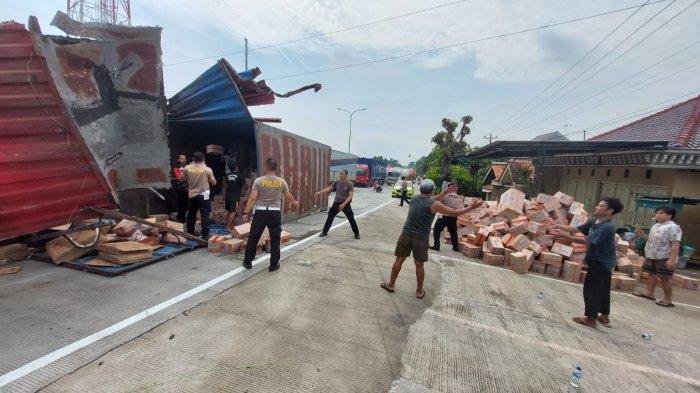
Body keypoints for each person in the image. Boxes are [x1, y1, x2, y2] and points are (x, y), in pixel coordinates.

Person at [380, 180, 483, 299]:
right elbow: (454, 213)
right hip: (420, 238)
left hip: (406, 234)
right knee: (419, 265)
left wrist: (445, 192)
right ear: (432, 190)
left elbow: (430, 198)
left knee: (399, 260)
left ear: (421, 189)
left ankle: (391, 285)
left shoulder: (414, 199)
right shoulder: (435, 204)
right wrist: (471, 207)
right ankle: (419, 291)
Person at [552, 197, 623, 329]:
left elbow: (587, 241)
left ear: (610, 211)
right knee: (602, 288)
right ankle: (604, 316)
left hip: (601, 262)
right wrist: (557, 226)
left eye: (601, 206)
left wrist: (564, 236)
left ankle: (590, 318)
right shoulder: (595, 221)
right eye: (598, 204)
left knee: (592, 289)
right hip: (599, 260)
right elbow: (576, 229)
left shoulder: (607, 227)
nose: (597, 207)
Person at [242, 158, 299, 271]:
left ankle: (247, 262)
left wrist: (245, 212)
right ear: (276, 168)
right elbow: (288, 195)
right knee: (275, 238)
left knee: (253, 237)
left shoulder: (259, 181)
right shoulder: (281, 182)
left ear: (266, 167)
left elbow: (253, 198)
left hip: (261, 212)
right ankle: (273, 265)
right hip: (274, 213)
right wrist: (294, 202)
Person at [633, 206, 682, 307]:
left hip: (664, 256)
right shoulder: (656, 225)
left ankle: (668, 299)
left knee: (665, 277)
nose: (657, 215)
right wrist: (642, 234)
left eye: (661, 213)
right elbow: (651, 240)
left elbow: (675, 244)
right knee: (652, 274)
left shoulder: (673, 227)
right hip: (652, 254)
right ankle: (649, 293)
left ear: (670, 215)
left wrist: (672, 259)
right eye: (657, 213)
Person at [314, 169, 360, 239]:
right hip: (336, 203)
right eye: (340, 174)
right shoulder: (336, 182)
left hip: (346, 204)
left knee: (351, 218)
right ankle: (324, 232)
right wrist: (320, 192)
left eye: (342, 174)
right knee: (330, 216)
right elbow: (329, 188)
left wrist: (343, 204)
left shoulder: (349, 184)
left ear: (346, 175)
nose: (340, 175)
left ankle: (357, 233)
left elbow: (350, 196)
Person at [183, 151, 216, 240]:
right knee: (205, 215)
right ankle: (205, 235)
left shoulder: (187, 168)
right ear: (203, 159)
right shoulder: (207, 169)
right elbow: (214, 182)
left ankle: (190, 232)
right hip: (203, 195)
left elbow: (183, 178)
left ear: (193, 159)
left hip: (192, 195)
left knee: (191, 214)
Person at [430, 182, 462, 252]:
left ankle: (436, 246)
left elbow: (438, 203)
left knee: (436, 230)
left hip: (444, 216)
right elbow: (459, 208)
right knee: (453, 232)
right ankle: (455, 247)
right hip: (453, 217)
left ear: (449, 187)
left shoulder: (445, 195)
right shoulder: (458, 197)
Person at [225, 161, 245, 230]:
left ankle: (231, 225)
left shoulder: (227, 176)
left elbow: (228, 184)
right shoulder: (240, 176)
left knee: (229, 211)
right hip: (235, 196)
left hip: (227, 195)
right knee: (233, 211)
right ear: (236, 167)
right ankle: (228, 226)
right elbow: (244, 186)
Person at [172, 153, 189, 223]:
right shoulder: (176, 168)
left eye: (185, 158)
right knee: (182, 204)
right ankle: (181, 219)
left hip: (189, 188)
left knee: (187, 205)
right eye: (182, 158)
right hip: (181, 189)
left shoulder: (189, 167)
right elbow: (179, 179)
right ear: (178, 160)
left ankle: (181, 217)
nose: (184, 160)